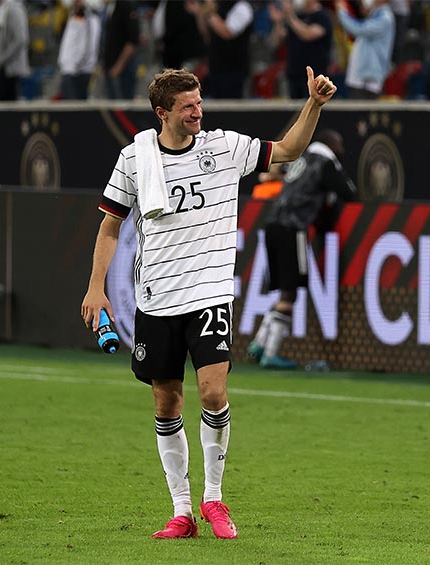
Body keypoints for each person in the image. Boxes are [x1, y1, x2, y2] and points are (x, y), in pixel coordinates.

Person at [80, 65, 336, 539]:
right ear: (163, 113)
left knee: (214, 392)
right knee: (166, 401)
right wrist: (96, 287)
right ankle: (181, 511)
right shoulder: (135, 158)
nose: (198, 112)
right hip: (157, 297)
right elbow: (110, 225)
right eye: (188, 107)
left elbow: (288, 149)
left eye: (199, 102)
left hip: (210, 293)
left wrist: (313, 105)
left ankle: (213, 498)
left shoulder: (224, 147)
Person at [248, 129, 357, 369]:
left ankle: (259, 343)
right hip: (292, 228)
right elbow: (349, 193)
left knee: (284, 291)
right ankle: (270, 354)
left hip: (273, 225)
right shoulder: (326, 162)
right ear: (333, 144)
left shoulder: (302, 159)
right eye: (339, 146)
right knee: (291, 292)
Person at [269, 0, 333, 100]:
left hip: (315, 75)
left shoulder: (323, 17)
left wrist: (290, 16)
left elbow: (308, 34)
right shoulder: (298, 16)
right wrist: (278, 22)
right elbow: (276, 41)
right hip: (294, 73)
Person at [336, 0, 395, 100]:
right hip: (360, 79)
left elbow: (358, 29)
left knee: (362, 113)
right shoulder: (375, 15)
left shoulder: (384, 18)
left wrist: (342, 12)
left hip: (367, 81)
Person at [196, 0, 254, 99]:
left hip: (234, 69)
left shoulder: (242, 6)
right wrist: (202, 13)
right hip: (216, 67)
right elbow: (206, 35)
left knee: (231, 105)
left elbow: (227, 32)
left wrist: (210, 13)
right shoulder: (218, 6)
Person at [57, 0, 101, 100]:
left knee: (76, 109)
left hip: (79, 72)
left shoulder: (91, 21)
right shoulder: (73, 18)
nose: (75, 3)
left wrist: (76, 67)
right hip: (68, 71)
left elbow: (89, 48)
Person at [101, 0, 139, 100]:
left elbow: (132, 40)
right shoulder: (108, 8)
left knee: (123, 107)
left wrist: (119, 65)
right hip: (110, 66)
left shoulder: (125, 6)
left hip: (123, 69)